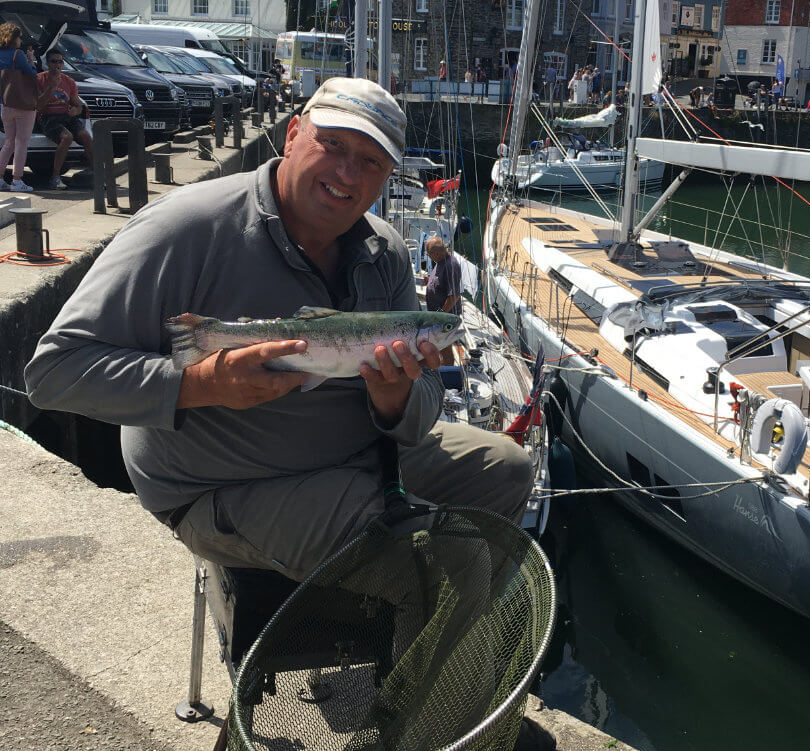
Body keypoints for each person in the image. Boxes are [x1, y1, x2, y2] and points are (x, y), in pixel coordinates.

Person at [24, 76, 533, 585]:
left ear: (386, 177)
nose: (348, 171)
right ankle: (425, 626)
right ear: (292, 134)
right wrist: (203, 385)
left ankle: (419, 627)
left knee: (509, 468)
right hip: (230, 486)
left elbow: (418, 416)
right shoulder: (185, 229)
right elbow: (54, 372)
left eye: (373, 161)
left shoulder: (388, 251)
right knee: (448, 565)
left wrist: (394, 397)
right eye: (332, 143)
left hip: (363, 453)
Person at [0, 24, 56, 193]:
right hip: (24, 104)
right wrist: (31, 60)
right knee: (22, 142)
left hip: (6, 103)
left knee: (8, 142)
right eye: (20, 37)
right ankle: (17, 180)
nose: (21, 40)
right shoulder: (18, 54)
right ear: (14, 38)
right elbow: (32, 74)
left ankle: (0, 178)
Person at [36, 47, 93, 189]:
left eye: (60, 62)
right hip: (48, 116)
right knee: (67, 137)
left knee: (86, 136)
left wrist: (76, 110)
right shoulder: (40, 79)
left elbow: (77, 104)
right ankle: (55, 177)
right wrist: (51, 87)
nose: (57, 65)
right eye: (54, 61)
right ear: (47, 63)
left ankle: (96, 173)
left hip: (66, 116)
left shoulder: (69, 81)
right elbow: (38, 105)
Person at [424, 236, 463, 317]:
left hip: (446, 317)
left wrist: (442, 314)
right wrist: (430, 281)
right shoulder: (440, 260)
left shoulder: (451, 266)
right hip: (435, 313)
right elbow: (441, 281)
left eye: (428, 254)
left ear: (436, 254)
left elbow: (454, 295)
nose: (428, 257)